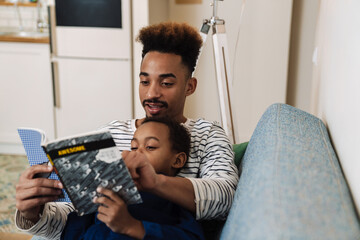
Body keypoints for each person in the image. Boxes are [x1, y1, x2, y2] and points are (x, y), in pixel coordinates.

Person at [15, 22, 239, 239]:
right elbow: (72, 220)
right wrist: (32, 213)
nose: (152, 93)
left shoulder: (207, 134)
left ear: (189, 86)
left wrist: (155, 183)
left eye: (166, 83)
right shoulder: (109, 134)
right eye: (144, 81)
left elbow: (226, 198)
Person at [60, 117, 204, 240]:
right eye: (134, 147)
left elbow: (192, 236)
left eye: (150, 147)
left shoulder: (173, 196)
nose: (137, 153)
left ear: (177, 160)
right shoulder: (112, 186)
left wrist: (133, 227)